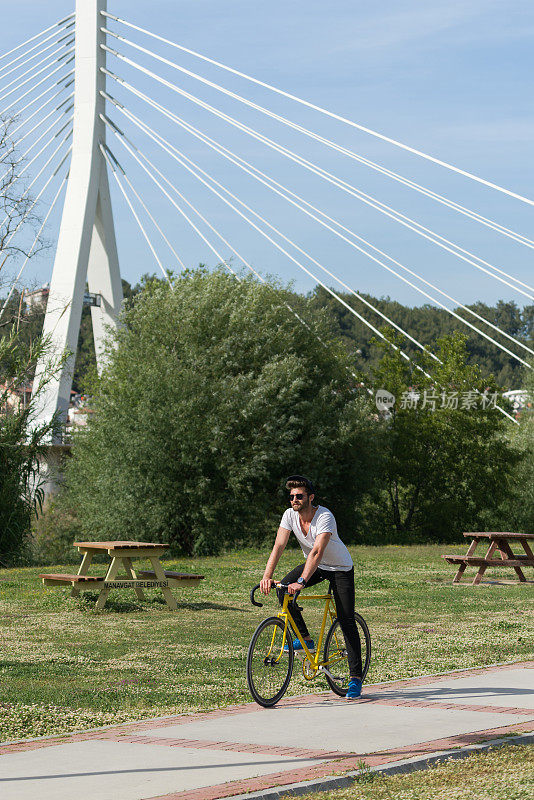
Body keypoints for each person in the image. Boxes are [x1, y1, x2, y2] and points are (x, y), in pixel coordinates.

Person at [260, 474, 363, 699]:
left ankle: (355, 678)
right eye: (292, 496)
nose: (294, 499)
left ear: (311, 497)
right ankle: (305, 638)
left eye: (299, 495)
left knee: (346, 621)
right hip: (316, 566)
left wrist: (302, 582)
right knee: (283, 589)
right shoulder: (289, 515)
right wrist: (267, 576)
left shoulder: (324, 516)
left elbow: (317, 551)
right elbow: (278, 545)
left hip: (340, 568)